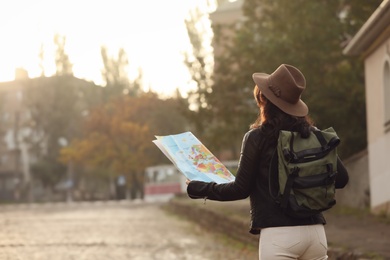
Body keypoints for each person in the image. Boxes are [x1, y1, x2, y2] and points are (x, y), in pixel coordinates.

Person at [186, 64, 349, 260]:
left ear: (263, 99)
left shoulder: (256, 137)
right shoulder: (315, 135)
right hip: (316, 234)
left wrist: (199, 188)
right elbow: (342, 179)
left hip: (279, 236)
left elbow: (240, 190)